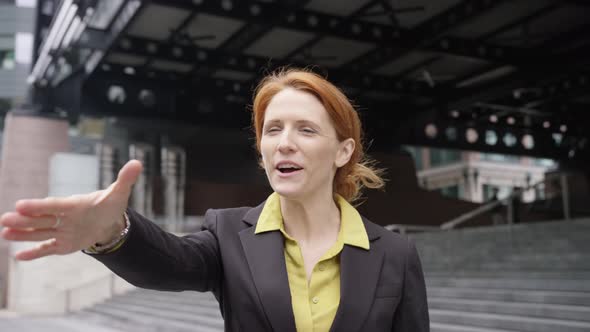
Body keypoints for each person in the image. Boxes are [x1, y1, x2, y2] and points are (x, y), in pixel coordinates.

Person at [1, 68, 429, 331]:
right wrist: (113, 232)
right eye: (273, 129)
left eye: (306, 129)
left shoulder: (396, 254)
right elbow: (170, 262)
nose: (284, 143)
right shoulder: (228, 233)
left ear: (343, 151)